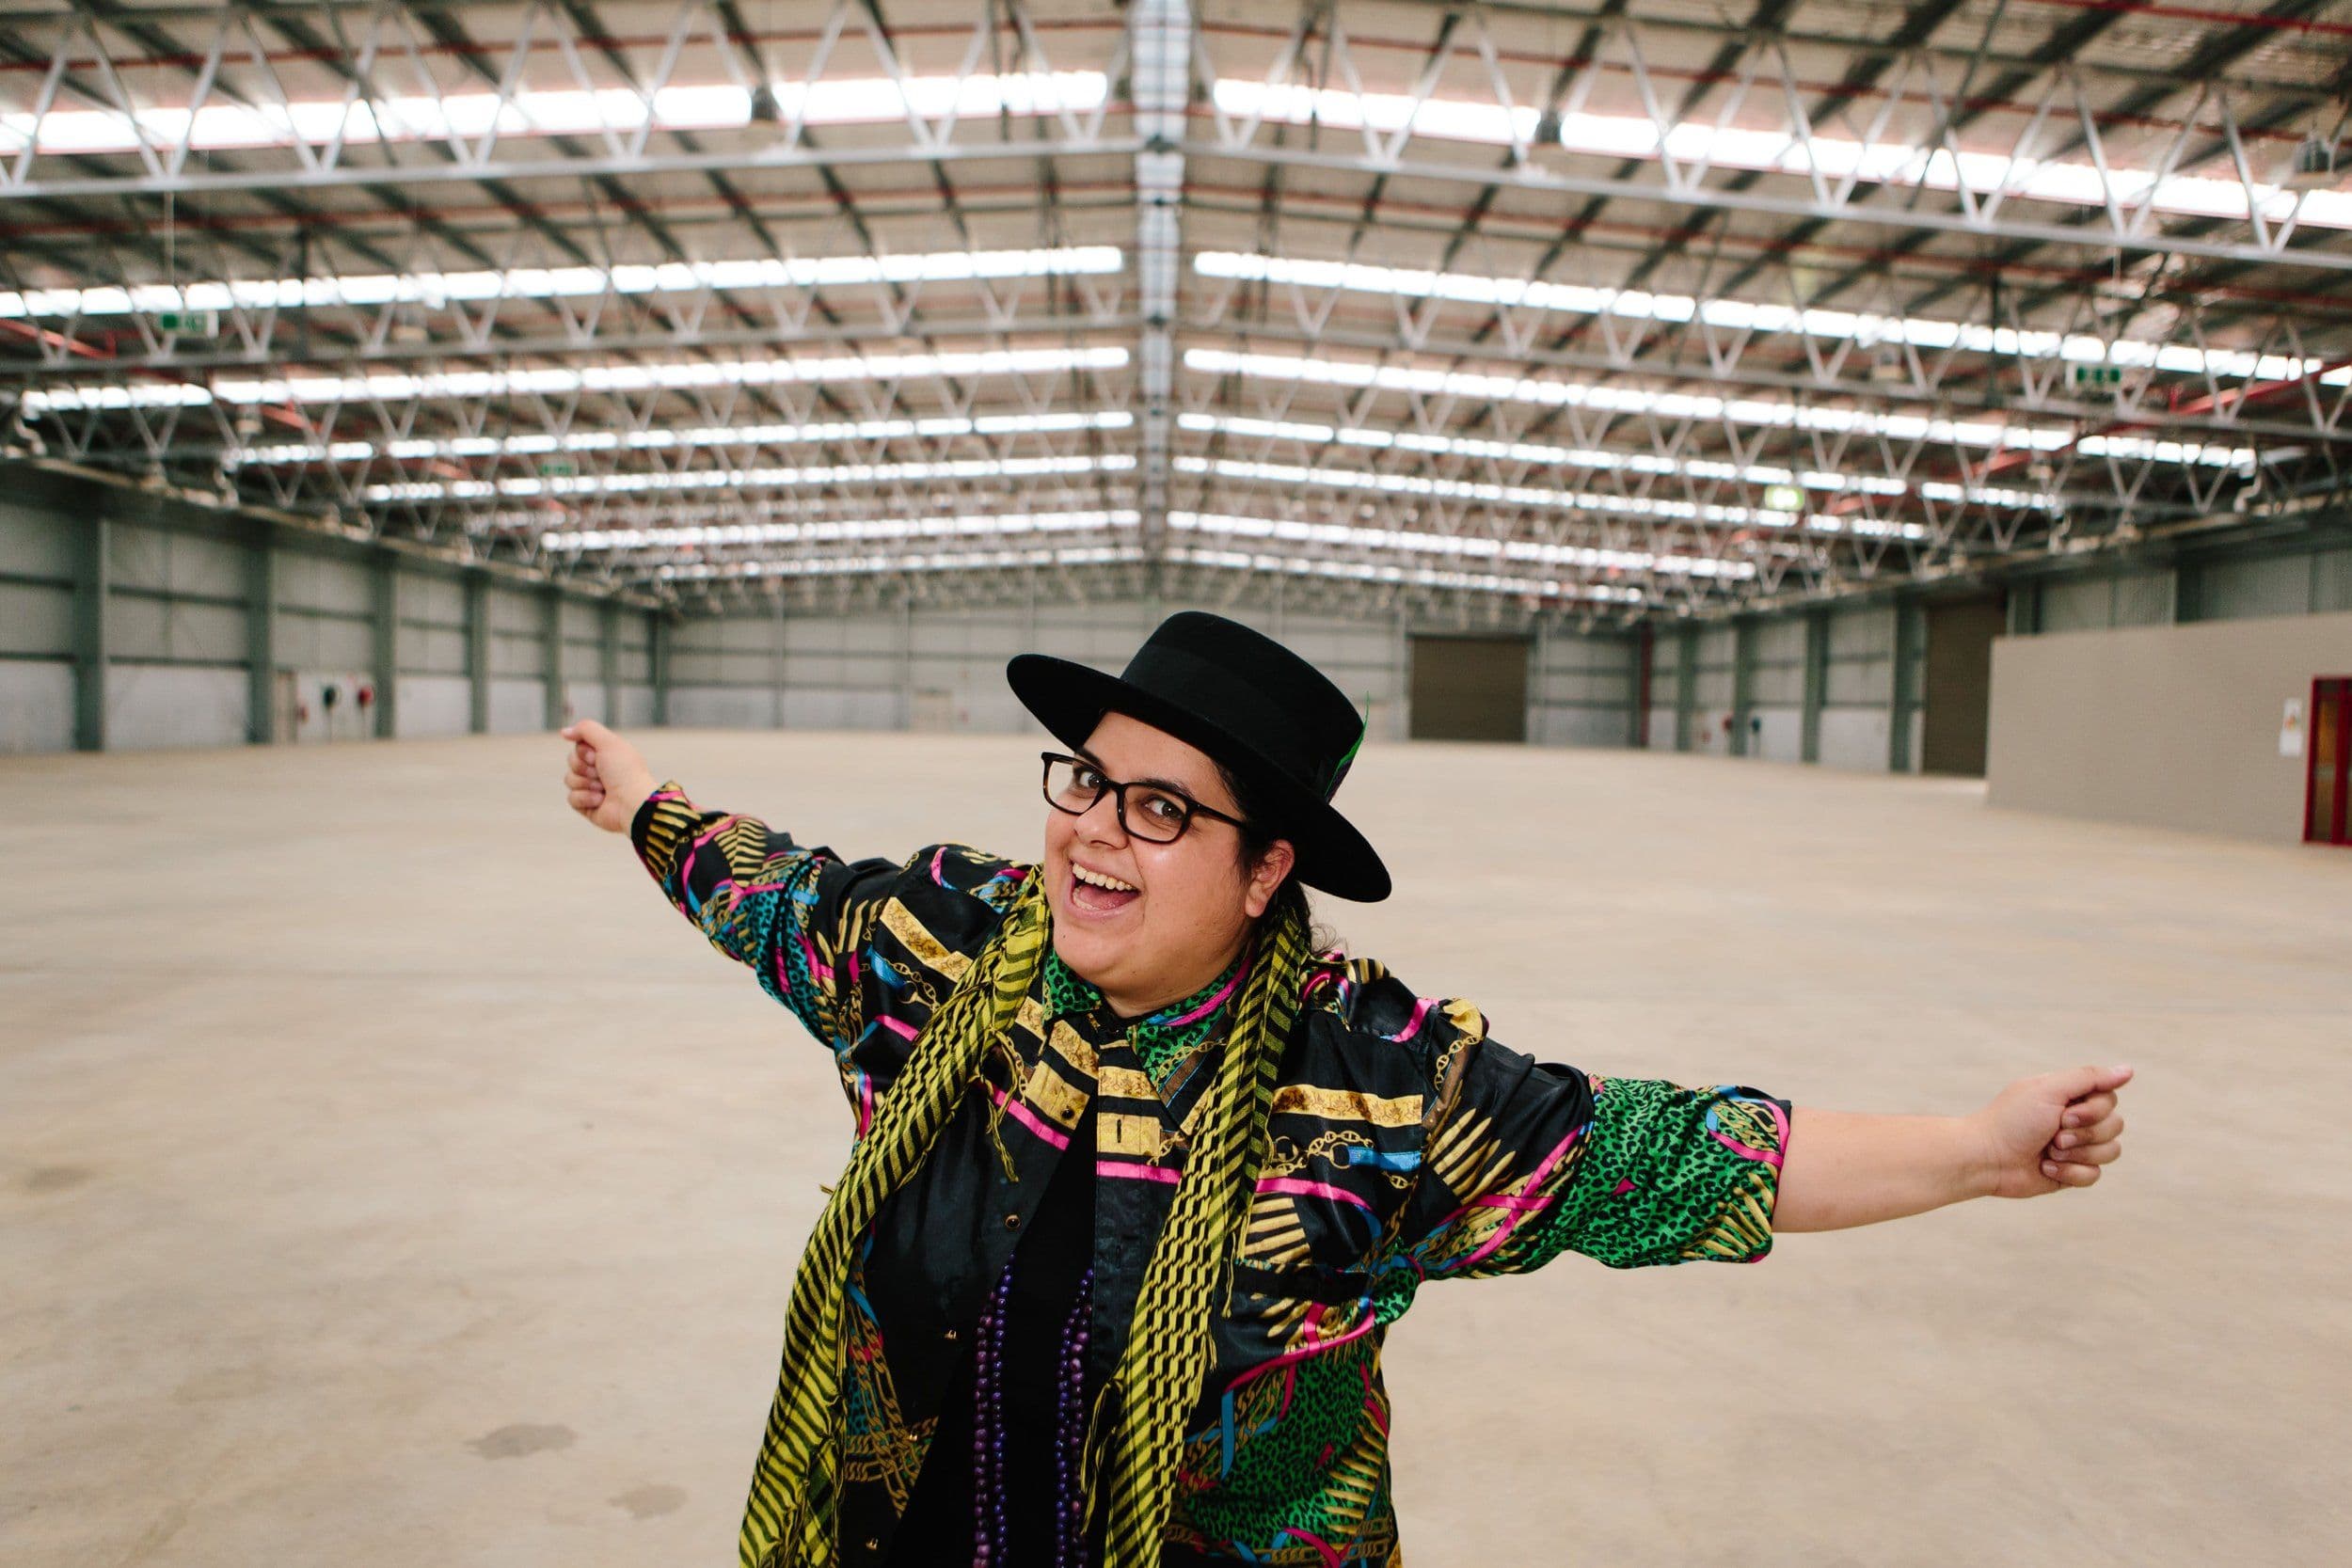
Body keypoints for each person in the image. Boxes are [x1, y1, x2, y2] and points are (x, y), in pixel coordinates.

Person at [560, 611, 2131, 1568]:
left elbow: (1665, 1158)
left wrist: (1982, 1154)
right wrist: (641, 800)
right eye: (1089, 781)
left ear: (1266, 873)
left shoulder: (1381, 1092)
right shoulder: (944, 960)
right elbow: (765, 889)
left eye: (1162, 809)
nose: (1095, 832)